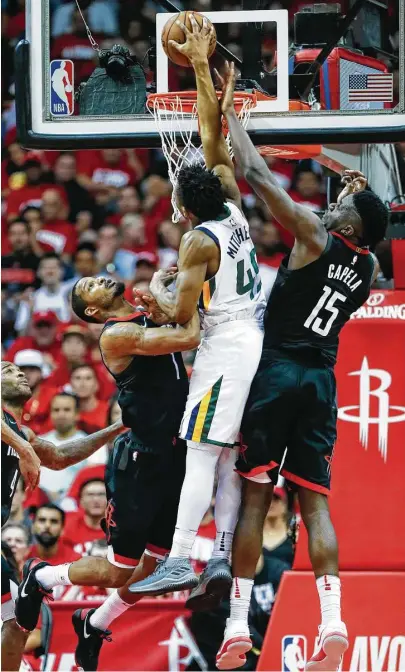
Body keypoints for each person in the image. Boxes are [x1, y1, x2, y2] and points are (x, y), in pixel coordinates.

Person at [213, 61, 389, 670]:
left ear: (350, 222)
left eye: (344, 200)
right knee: (315, 504)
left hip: (280, 373)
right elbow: (357, 212)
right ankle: (333, 623)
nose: (335, 199)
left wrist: (232, 118)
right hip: (322, 382)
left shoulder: (316, 235)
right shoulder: (366, 271)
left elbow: (258, 175)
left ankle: (237, 626)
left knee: (258, 496)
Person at [130, 15, 265, 620]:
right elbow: (215, 138)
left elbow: (179, 319)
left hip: (224, 345)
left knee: (201, 454)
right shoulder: (233, 206)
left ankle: (182, 554)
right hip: (250, 338)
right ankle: (216, 553)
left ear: (183, 205)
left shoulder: (196, 244)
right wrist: (208, 76)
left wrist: (157, 286)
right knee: (229, 454)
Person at [14, 275, 199, 670]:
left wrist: (162, 297)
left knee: (153, 569)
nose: (98, 278)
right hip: (141, 461)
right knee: (119, 571)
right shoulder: (115, 335)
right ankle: (44, 575)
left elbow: (177, 329)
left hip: (175, 453)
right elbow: (190, 337)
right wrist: (193, 295)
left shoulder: (142, 315)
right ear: (94, 311)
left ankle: (95, 622)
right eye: (89, 286)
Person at [1, 361, 122, 670]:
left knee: (15, 624)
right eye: (7, 370)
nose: (19, 374)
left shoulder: (18, 430)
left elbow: (60, 456)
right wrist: (24, 450)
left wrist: (118, 428)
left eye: (19, 370)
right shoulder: (15, 435)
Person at [38, 392, 88, 499]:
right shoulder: (38, 442)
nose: (61, 414)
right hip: (40, 504)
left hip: (74, 503)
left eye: (67, 410)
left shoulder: (92, 443)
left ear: (77, 414)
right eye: (56, 410)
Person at [13, 349, 59, 434]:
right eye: (22, 369)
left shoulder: (53, 394)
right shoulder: (8, 396)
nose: (26, 374)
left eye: (32, 369)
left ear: (41, 372)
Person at [63, 478, 107, 556]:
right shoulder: (66, 523)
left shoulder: (122, 527)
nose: (96, 499)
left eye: (101, 494)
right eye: (90, 495)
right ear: (80, 500)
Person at [70, 364, 109, 434]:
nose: (82, 383)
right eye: (78, 378)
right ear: (71, 384)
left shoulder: (108, 411)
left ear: (97, 384)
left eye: (88, 378)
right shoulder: (65, 411)